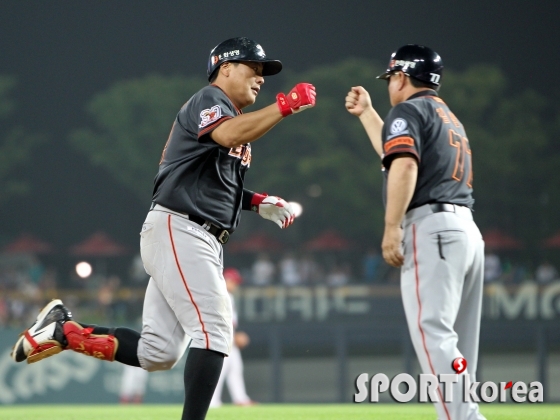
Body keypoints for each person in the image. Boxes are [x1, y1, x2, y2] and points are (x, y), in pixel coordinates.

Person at [11, 37, 315, 420]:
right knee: (215, 332)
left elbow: (211, 183)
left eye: (263, 74)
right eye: (253, 69)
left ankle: (64, 332)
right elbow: (229, 135)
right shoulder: (211, 99)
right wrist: (285, 106)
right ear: (225, 69)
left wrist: (257, 202)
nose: (260, 79)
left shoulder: (228, 114)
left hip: (189, 233)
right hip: (182, 229)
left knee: (158, 353)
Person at [346, 45, 485, 420]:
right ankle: (460, 412)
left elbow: (404, 167)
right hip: (466, 231)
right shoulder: (447, 115)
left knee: (432, 332)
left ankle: (464, 417)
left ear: (402, 76)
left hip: (433, 228)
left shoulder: (407, 110)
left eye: (391, 77)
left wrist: (392, 228)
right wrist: (369, 114)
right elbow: (395, 153)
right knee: (457, 342)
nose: (390, 83)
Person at [210, 268, 255, 407]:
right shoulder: (220, 295)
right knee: (220, 370)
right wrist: (234, 336)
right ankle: (212, 401)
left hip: (229, 336)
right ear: (226, 280)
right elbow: (219, 320)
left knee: (235, 368)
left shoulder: (229, 296)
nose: (236, 284)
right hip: (221, 336)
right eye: (234, 281)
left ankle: (240, 399)